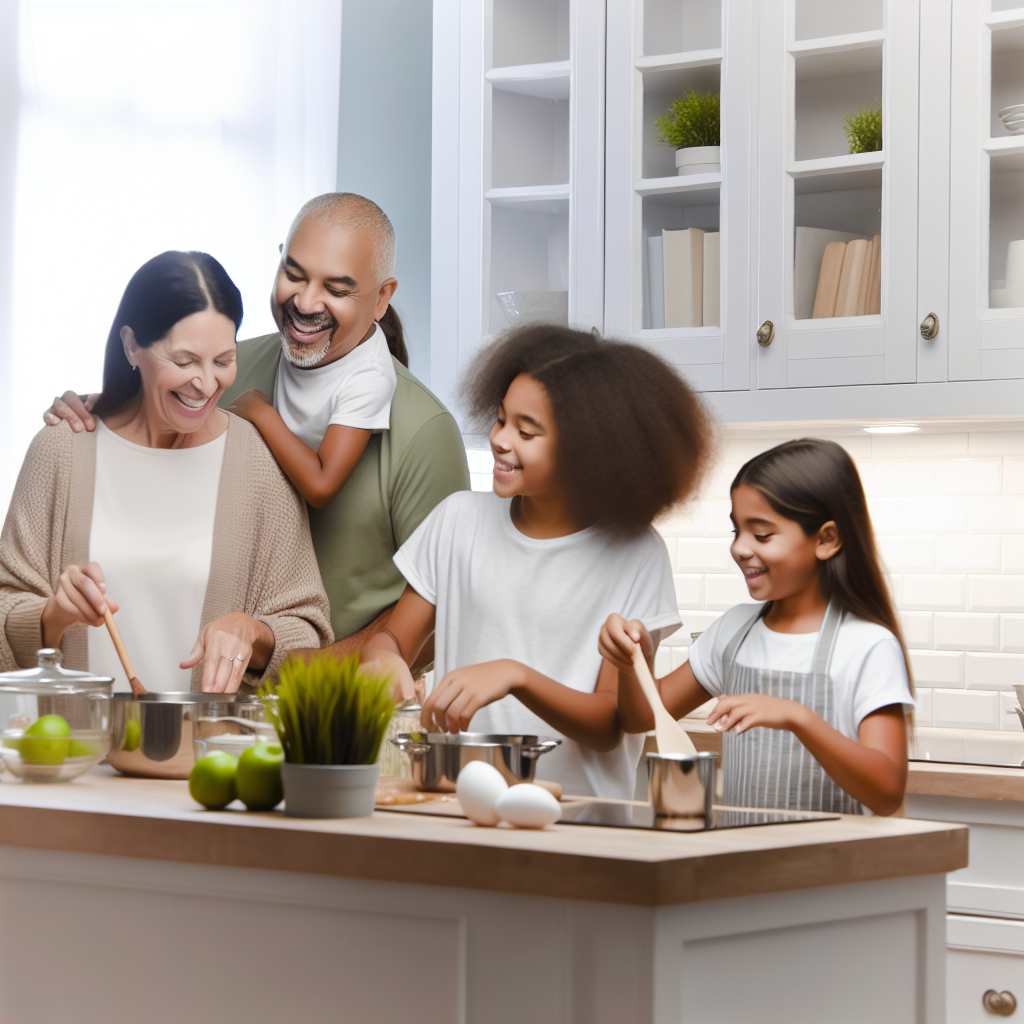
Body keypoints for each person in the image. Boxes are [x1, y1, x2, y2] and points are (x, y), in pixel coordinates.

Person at [43, 194, 469, 655]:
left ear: (382, 297)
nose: (306, 302)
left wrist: (308, 674)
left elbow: (448, 603)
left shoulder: (426, 432)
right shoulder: (232, 368)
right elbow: (153, 426)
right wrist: (102, 405)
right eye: (294, 273)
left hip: (335, 704)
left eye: (337, 289)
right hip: (206, 691)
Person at [362, 324, 713, 797]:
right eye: (501, 419)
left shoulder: (636, 553)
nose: (501, 439)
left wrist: (516, 676)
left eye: (526, 431)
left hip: (583, 824)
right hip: (459, 808)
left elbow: (611, 722)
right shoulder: (458, 520)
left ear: (586, 449)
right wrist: (381, 658)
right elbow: (391, 639)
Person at [3, 251, 333, 692]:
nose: (206, 383)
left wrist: (251, 632)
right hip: (77, 754)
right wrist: (55, 615)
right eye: (184, 361)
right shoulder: (63, 450)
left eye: (223, 361)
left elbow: (309, 630)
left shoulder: (256, 462)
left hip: (208, 756)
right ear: (131, 346)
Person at [600, 438, 914, 816]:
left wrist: (799, 718)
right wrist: (636, 662)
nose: (740, 548)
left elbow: (887, 790)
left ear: (826, 539)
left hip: (828, 870)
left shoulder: (867, 645)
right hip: (741, 866)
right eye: (737, 531)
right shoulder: (734, 632)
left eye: (761, 534)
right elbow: (639, 720)